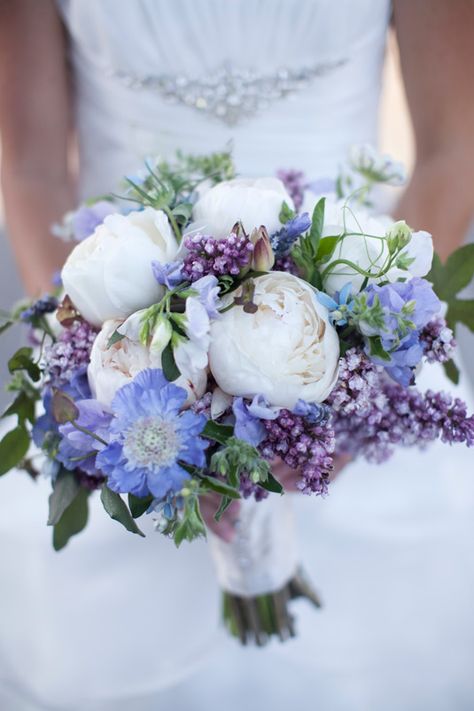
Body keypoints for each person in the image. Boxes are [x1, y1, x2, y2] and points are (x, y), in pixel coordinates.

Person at [0, 1, 473, 709]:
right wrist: (92, 348)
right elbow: (32, 167)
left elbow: (452, 145)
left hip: (352, 336)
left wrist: (359, 364)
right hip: (129, 352)